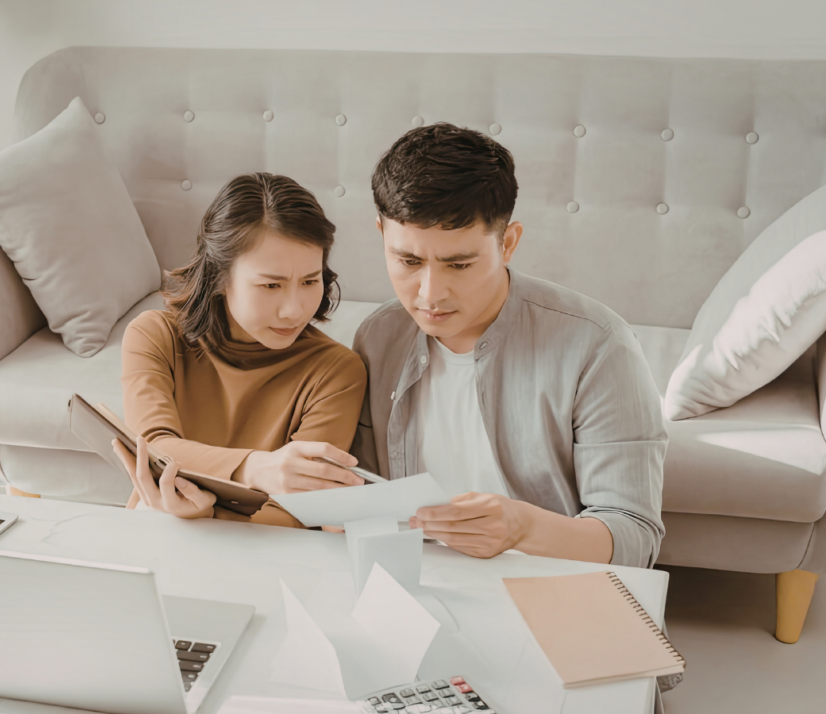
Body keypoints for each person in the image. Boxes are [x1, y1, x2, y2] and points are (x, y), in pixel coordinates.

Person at [351, 123, 667, 568]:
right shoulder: (378, 336)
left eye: (459, 264)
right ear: (381, 234)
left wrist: (523, 528)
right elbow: (366, 497)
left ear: (509, 242)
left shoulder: (597, 345)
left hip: (553, 594)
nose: (429, 294)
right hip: (415, 584)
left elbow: (635, 539)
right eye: (408, 261)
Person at [113, 172, 367, 526]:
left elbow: (293, 513)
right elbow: (155, 449)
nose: (294, 309)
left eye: (310, 281)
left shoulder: (336, 371)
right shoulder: (155, 336)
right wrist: (255, 468)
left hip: (264, 557)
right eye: (271, 285)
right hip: (158, 529)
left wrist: (206, 514)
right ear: (220, 277)